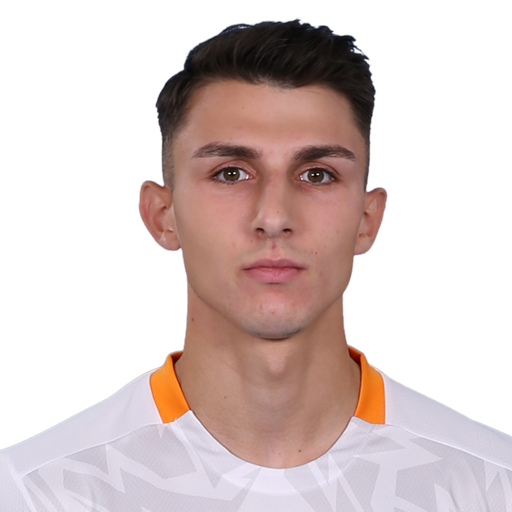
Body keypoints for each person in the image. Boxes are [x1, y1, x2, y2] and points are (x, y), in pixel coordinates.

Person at [1, 19, 512, 511]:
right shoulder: (41, 493)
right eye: (231, 173)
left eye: (317, 174)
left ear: (366, 219)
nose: (273, 217)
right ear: (163, 216)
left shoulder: (492, 486)